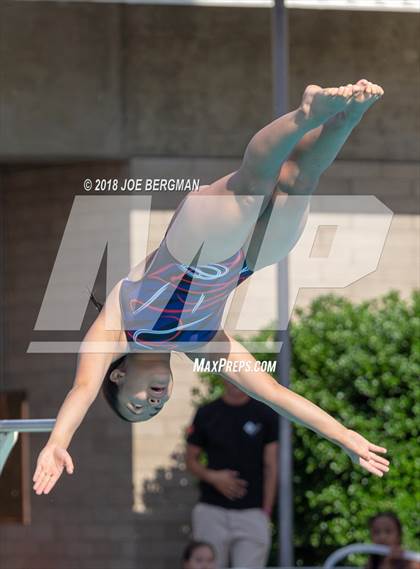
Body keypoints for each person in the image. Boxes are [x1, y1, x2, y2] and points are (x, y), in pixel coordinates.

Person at [33, 80, 390, 496]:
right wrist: (343, 435)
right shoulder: (204, 345)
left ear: (118, 374)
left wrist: (57, 442)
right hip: (245, 262)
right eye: (156, 409)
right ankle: (350, 114)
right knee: (297, 181)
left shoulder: (117, 328)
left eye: (137, 405)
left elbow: (81, 389)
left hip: (193, 249)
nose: (154, 403)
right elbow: (275, 395)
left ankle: (307, 113)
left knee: (252, 186)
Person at [186, 379, 278, 568]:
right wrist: (214, 478)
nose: (235, 380)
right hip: (212, 511)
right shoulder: (207, 413)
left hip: (252, 513)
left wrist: (265, 511)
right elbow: (190, 460)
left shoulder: (265, 413)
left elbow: (272, 466)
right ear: (222, 377)